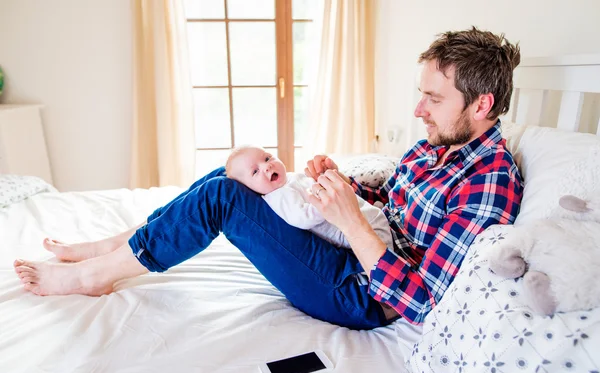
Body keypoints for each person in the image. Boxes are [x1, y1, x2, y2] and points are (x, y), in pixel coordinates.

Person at [14, 27, 523, 330]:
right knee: (237, 175)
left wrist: (355, 225)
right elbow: (393, 198)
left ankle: (92, 276)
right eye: (422, 94)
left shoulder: (490, 180)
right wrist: (339, 184)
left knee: (224, 198)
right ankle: (116, 245)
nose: (419, 110)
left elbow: (422, 301)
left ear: (481, 105)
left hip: (362, 294)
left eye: (433, 99)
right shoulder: (439, 145)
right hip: (354, 249)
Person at [225, 145, 394, 250]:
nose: (267, 166)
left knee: (377, 220)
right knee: (380, 234)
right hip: (348, 231)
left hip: (359, 216)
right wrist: (326, 202)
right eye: (255, 171)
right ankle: (382, 282)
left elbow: (308, 188)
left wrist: (320, 178)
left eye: (267, 158)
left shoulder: (287, 179)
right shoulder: (277, 197)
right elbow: (302, 218)